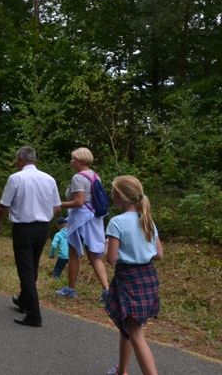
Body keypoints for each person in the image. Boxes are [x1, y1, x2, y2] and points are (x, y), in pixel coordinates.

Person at [0, 146, 61, 327]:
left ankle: (34, 315)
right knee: (33, 266)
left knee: (25, 271)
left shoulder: (16, 178)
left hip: (23, 228)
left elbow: (3, 205)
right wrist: (45, 217)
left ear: (20, 159)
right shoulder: (49, 179)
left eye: (17, 160)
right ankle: (23, 301)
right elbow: (57, 207)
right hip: (42, 227)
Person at [104, 175, 163, 375]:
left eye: (113, 192)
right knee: (127, 327)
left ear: (120, 197)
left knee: (135, 333)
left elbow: (111, 258)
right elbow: (159, 254)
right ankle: (122, 370)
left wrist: (108, 246)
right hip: (148, 276)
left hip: (128, 278)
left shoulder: (116, 222)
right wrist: (140, 252)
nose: (111, 196)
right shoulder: (147, 220)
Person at [56, 147, 110, 301]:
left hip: (80, 218)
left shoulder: (78, 177)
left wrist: (59, 204)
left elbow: (79, 201)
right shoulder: (95, 175)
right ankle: (107, 291)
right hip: (95, 218)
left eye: (73, 158)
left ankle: (71, 289)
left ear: (80, 160)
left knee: (73, 254)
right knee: (94, 256)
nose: (71, 161)